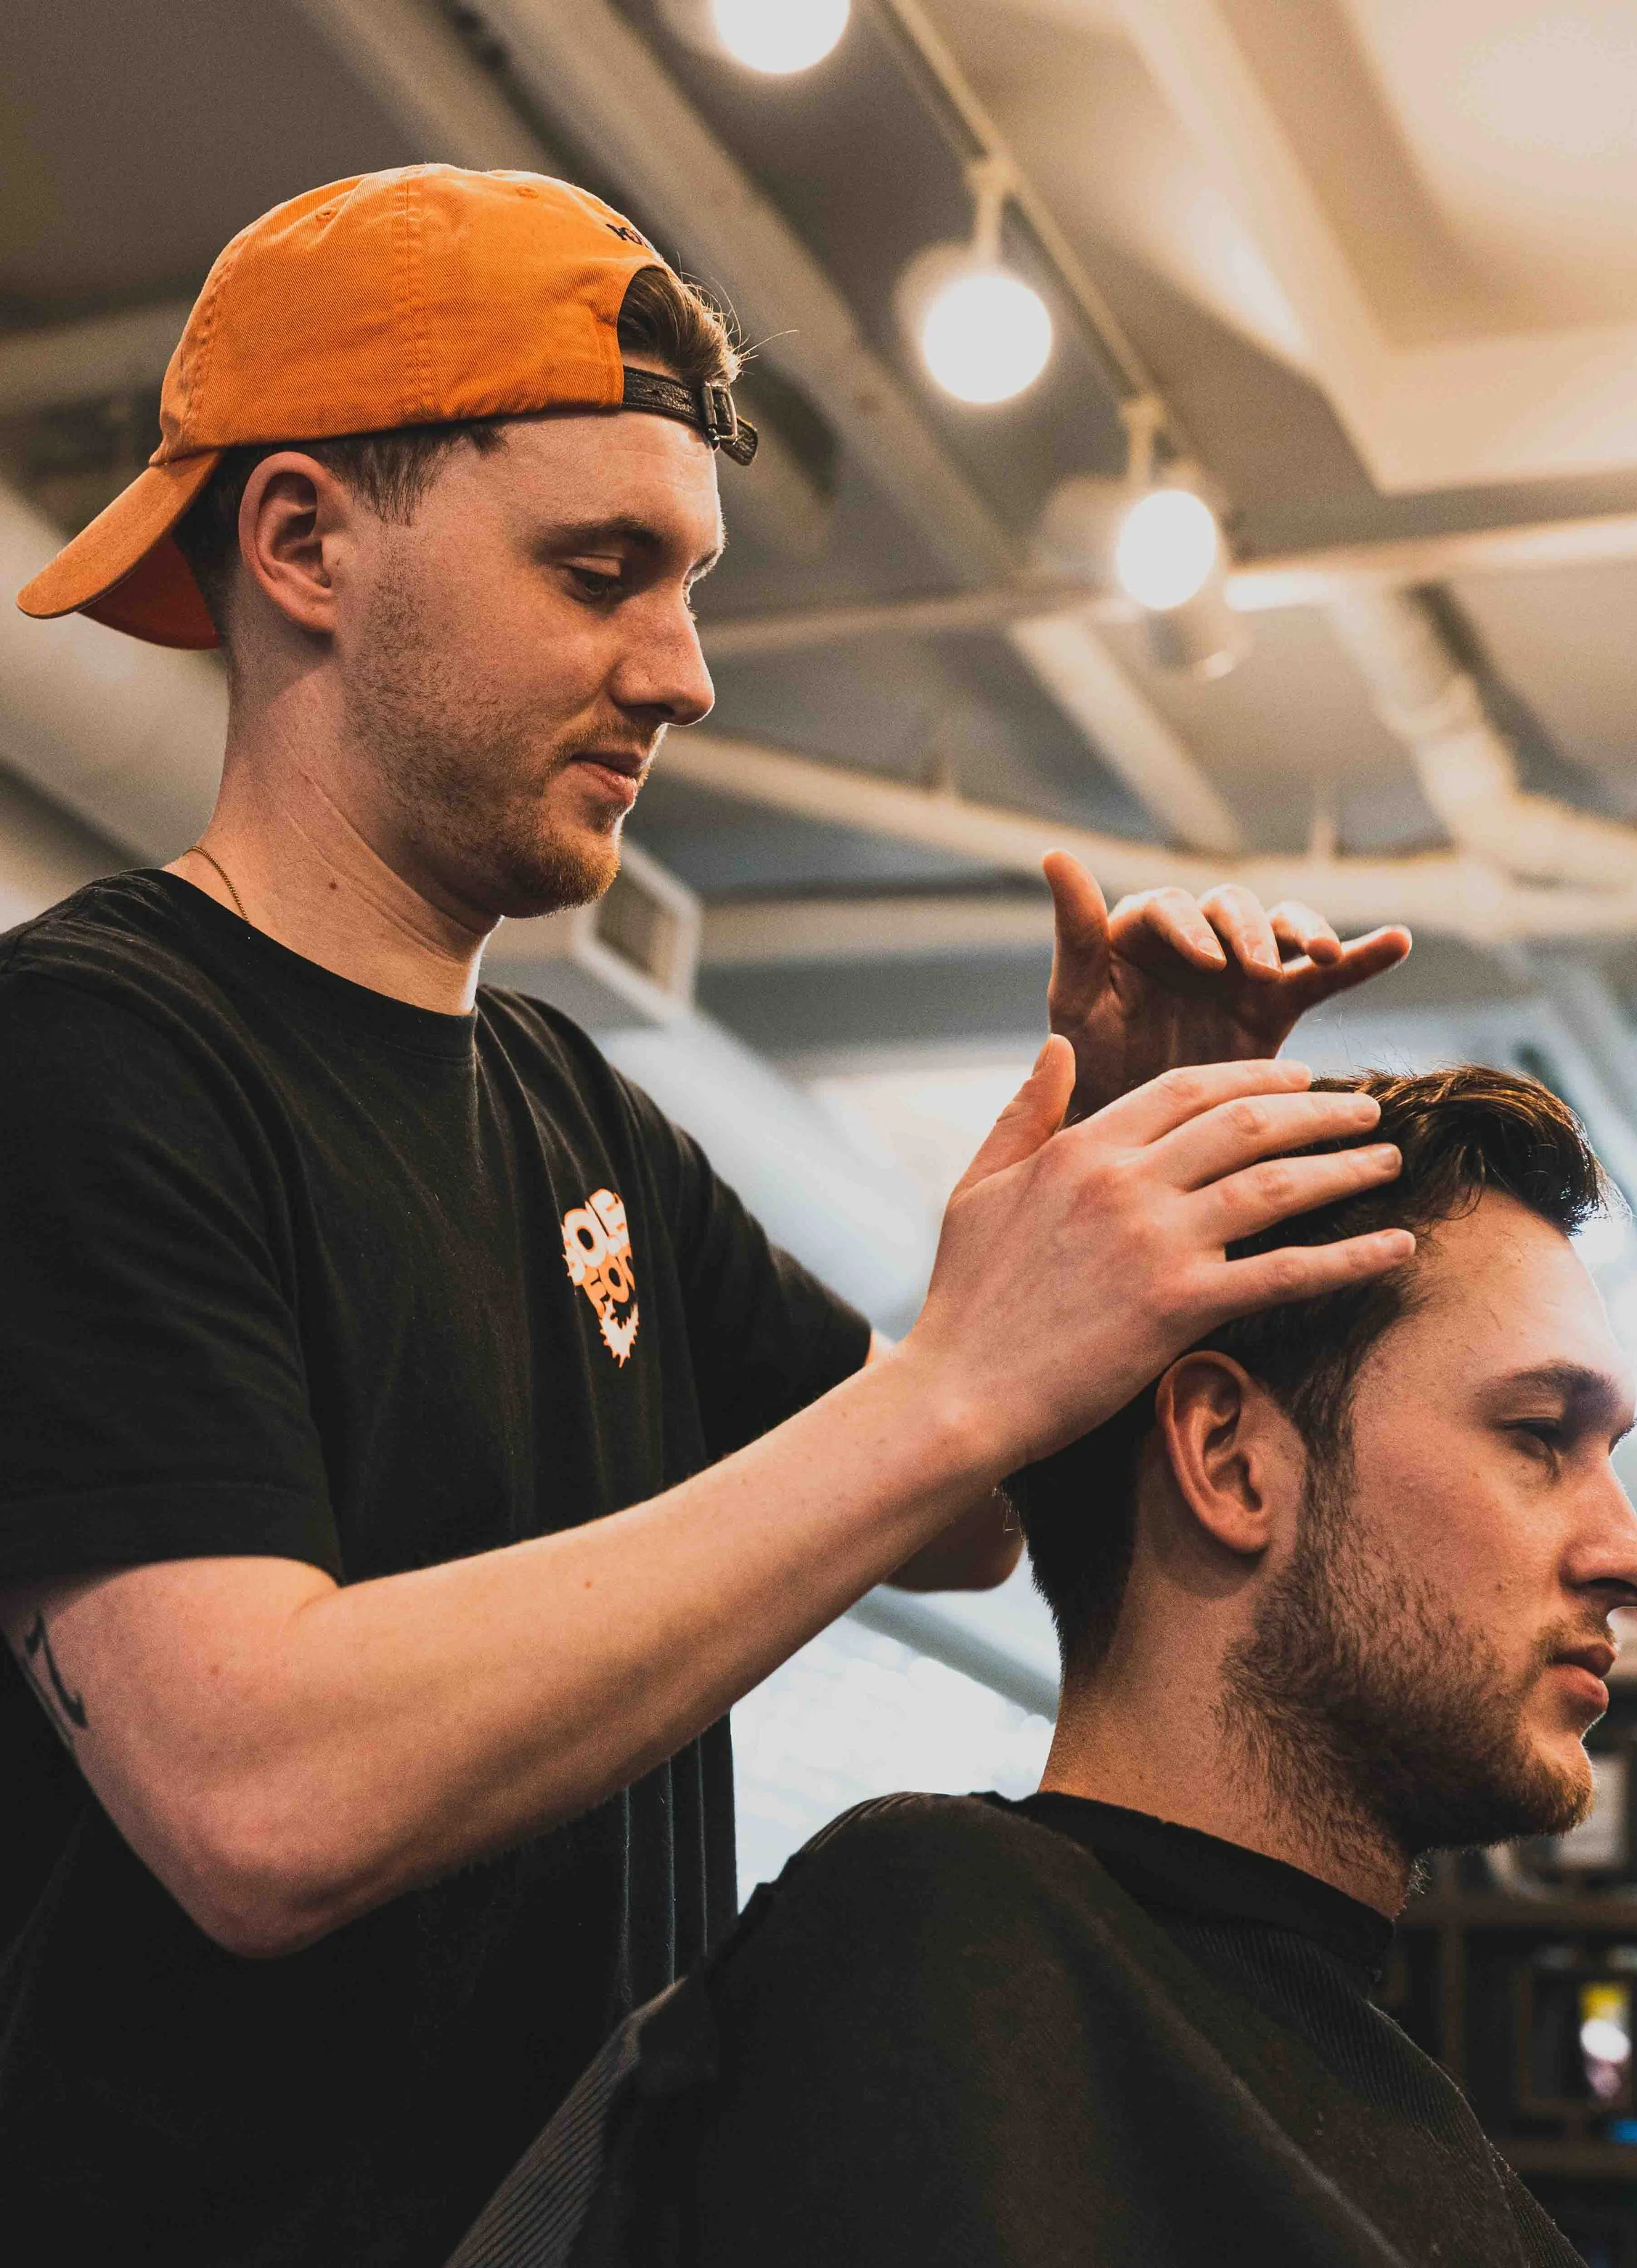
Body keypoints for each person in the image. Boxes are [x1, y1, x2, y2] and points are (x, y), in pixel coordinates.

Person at [0, 165, 1413, 2265]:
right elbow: (253, 1796)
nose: (681, 671)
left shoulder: (578, 1117)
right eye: (598, 569)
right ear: (303, 541)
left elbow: (964, 1510)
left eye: (690, 582)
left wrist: (1109, 1157)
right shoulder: (96, 1057)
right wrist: (951, 1383)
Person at [533, 1065, 1637, 2268]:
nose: (1633, 1559)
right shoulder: (945, 1952)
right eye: (1541, 1436)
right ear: (1232, 1462)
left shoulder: (1368, 2091)